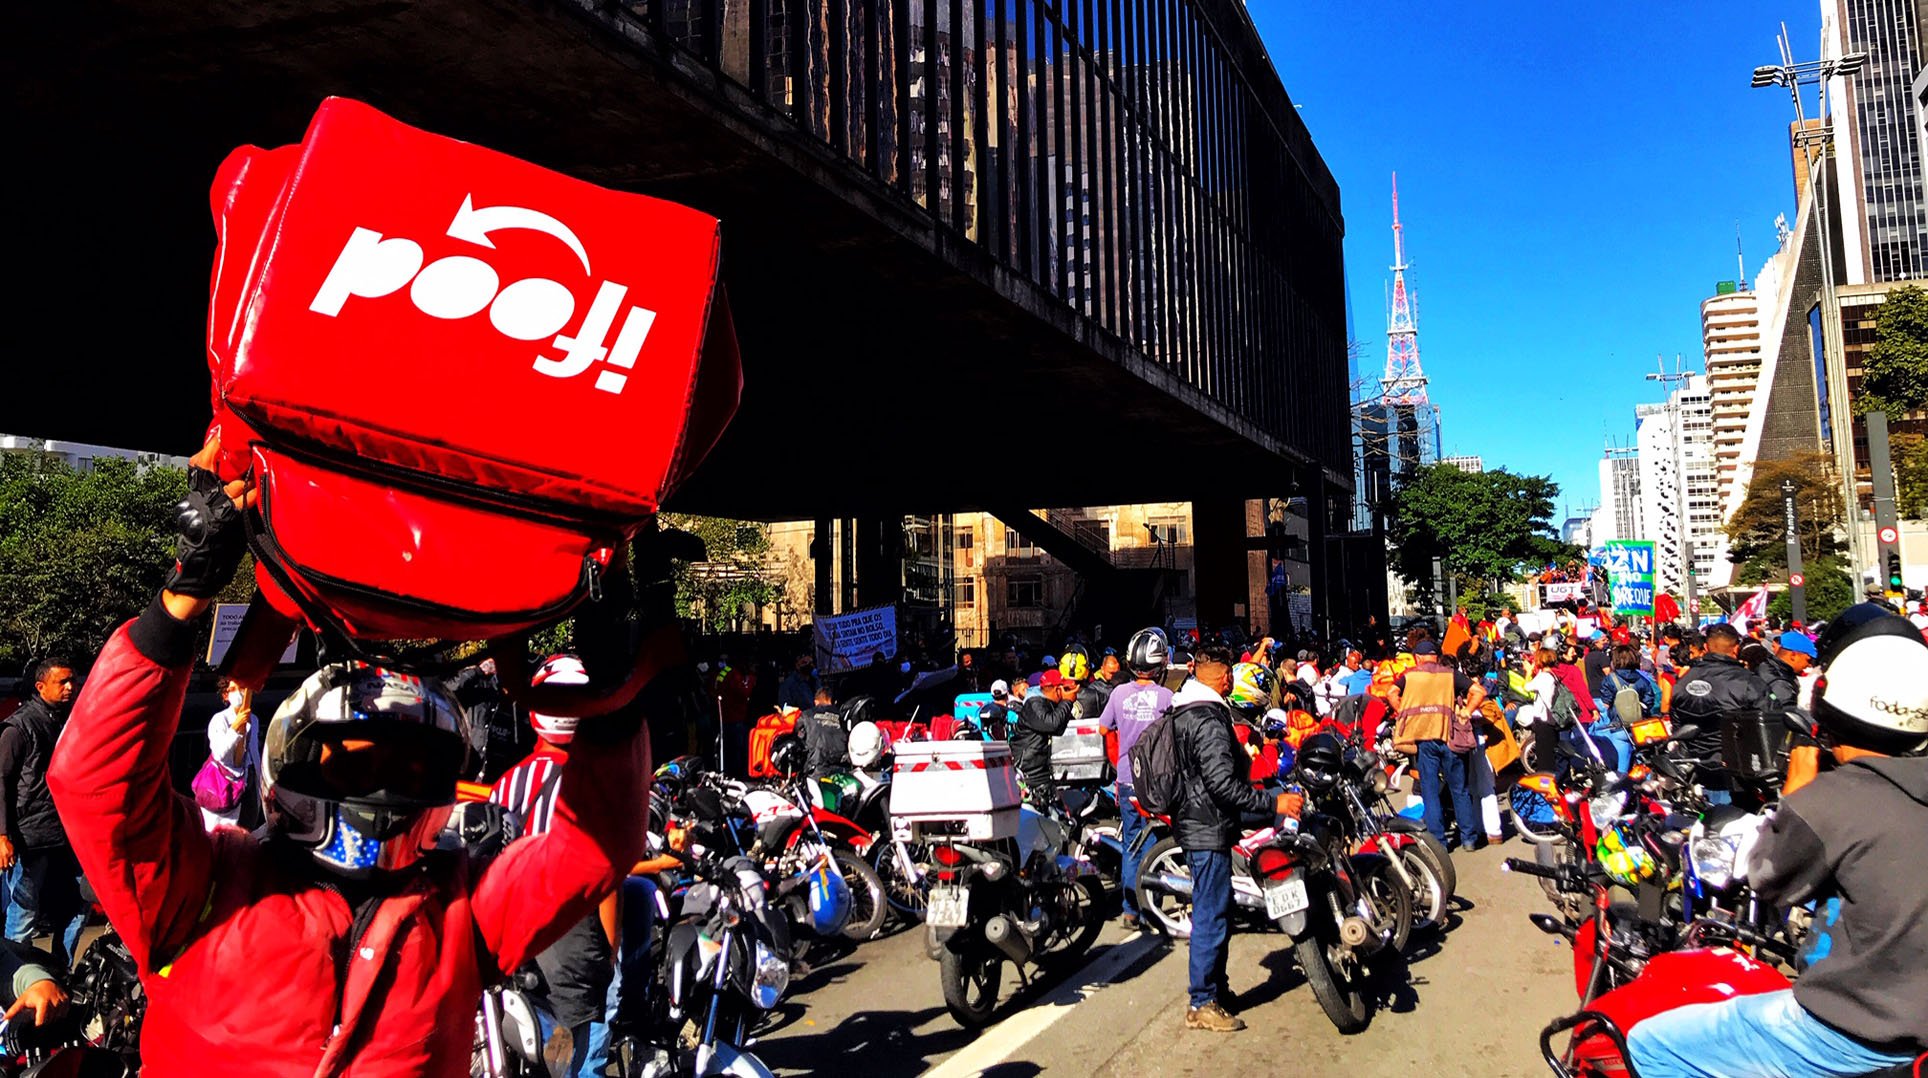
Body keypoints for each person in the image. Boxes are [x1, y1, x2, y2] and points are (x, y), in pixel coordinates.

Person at [46, 440, 651, 1074]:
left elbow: (593, 849)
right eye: (352, 763)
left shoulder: (462, 912)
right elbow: (95, 784)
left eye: (408, 767)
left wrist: (610, 665)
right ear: (290, 769)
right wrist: (179, 602)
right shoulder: (204, 884)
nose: (382, 789)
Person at [1626, 615, 1928, 1078]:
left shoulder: (1832, 799)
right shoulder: (1753, 684)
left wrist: (1798, 791)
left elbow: (1765, 876)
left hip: (1857, 1027)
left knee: (1649, 1043)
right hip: (1910, 1018)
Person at [1168, 648, 1302, 1032]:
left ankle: (1216, 990)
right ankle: (1202, 1002)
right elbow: (1222, 786)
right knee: (1211, 914)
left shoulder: (1186, 709)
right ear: (1225, 678)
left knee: (1219, 909)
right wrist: (1273, 800)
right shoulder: (1207, 719)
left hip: (1200, 821)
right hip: (1205, 826)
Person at [1, 657, 87, 969]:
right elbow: (2, 782)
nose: (69, 687)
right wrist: (2, 835)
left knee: (79, 906)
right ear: (40, 686)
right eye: (62, 682)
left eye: (72, 681)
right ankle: (14, 981)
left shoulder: (71, 722)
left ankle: (60, 973)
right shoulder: (19, 727)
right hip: (31, 836)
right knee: (24, 914)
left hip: (71, 834)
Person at [1098, 628, 1173, 930]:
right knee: (1155, 842)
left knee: (1132, 844)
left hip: (1127, 779)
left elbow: (1104, 730)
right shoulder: (1166, 696)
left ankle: (1131, 910)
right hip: (1156, 783)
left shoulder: (1118, 693)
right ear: (1159, 665)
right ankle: (1150, 904)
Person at [1388, 641, 1486, 851]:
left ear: (1418, 657)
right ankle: (1468, 839)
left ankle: (1439, 843)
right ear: (1436, 656)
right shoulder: (1450, 674)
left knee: (1430, 791)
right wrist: (1467, 711)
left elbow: (1391, 693)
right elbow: (1479, 691)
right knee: (1459, 789)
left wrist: (1401, 712)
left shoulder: (1410, 676)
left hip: (1424, 740)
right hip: (1450, 737)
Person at [1669, 622, 1769, 804]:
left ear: (1706, 648)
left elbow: (1677, 726)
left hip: (1694, 774)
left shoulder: (1683, 681)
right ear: (1737, 648)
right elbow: (1768, 727)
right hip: (1739, 778)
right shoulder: (1749, 682)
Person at [200, 679, 260, 832]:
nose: (240, 693)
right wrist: (235, 728)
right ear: (226, 695)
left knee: (248, 828)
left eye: (243, 688)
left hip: (250, 782)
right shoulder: (220, 720)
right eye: (234, 689)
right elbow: (221, 754)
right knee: (225, 832)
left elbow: (254, 754)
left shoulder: (253, 719)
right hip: (227, 784)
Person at [1012, 670, 1075, 808]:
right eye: (1065, 689)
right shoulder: (1034, 704)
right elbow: (1051, 724)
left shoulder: (1046, 704)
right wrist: (1067, 701)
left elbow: (1059, 728)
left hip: (1040, 769)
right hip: (1028, 771)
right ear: (1058, 689)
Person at [1587, 644, 1654, 773]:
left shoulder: (1610, 680)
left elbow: (1606, 704)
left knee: (1621, 771)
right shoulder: (1642, 678)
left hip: (1619, 727)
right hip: (1639, 727)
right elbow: (1649, 701)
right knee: (1644, 767)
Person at [796, 687, 848, 777]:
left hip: (815, 772)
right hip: (842, 770)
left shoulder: (806, 716)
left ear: (816, 702)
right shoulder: (843, 717)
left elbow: (798, 740)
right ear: (832, 701)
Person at [1756, 630, 1812, 712]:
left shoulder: (1767, 666)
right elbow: (1788, 716)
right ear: (1793, 655)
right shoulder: (1779, 683)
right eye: (1808, 660)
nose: (1809, 665)